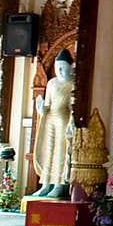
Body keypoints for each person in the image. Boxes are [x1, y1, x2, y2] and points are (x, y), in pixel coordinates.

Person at [32, 51, 75, 199]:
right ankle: (45, 184)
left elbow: (73, 108)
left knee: (61, 152)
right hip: (50, 119)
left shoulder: (72, 84)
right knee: (48, 150)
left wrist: (72, 122)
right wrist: (41, 108)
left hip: (64, 120)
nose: (60, 71)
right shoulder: (51, 83)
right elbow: (48, 104)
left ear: (71, 67)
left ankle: (59, 184)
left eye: (63, 67)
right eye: (58, 68)